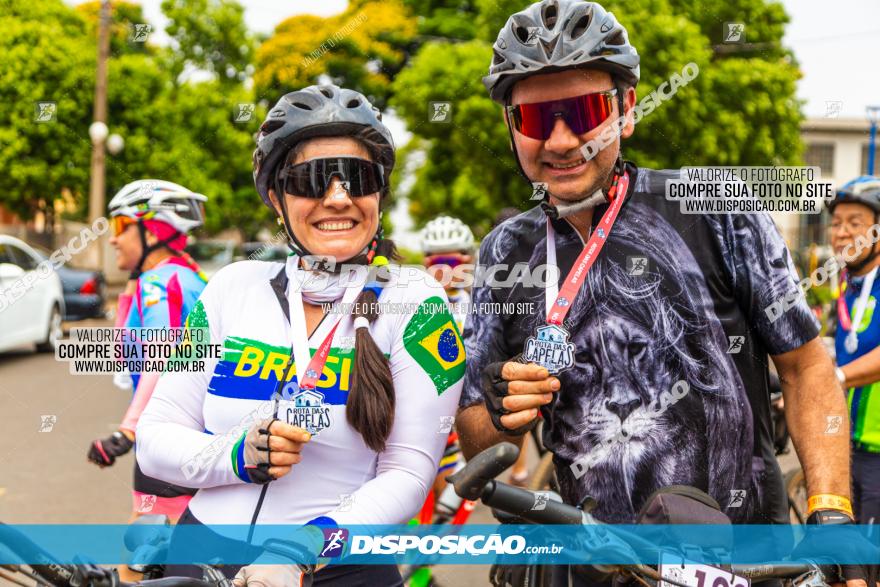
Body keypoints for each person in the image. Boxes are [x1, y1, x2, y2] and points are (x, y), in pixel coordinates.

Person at [454, 1, 870, 584]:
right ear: (510, 128)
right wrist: (501, 413)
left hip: (743, 560)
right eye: (534, 117)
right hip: (594, 560)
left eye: (584, 110)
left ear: (627, 110)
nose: (561, 137)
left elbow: (806, 368)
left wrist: (833, 512)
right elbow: (478, 439)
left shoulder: (718, 206)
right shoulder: (504, 251)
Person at [135, 84, 464, 587]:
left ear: (379, 191)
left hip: (340, 566)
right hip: (197, 554)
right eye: (311, 179)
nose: (338, 197)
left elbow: (409, 474)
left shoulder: (418, 302)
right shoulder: (230, 287)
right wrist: (238, 455)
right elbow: (155, 440)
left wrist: (303, 548)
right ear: (276, 197)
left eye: (357, 177)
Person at [87, 180, 208, 520]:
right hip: (188, 434)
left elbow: (163, 360)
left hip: (170, 435)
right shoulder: (183, 277)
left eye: (121, 226)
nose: (113, 238)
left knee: (144, 554)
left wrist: (128, 430)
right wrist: (132, 284)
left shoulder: (159, 284)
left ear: (151, 233)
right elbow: (123, 353)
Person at [829, 176, 880, 527]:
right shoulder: (848, 288)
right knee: (845, 569)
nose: (842, 232)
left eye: (855, 223)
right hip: (849, 446)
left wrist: (836, 378)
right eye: (836, 223)